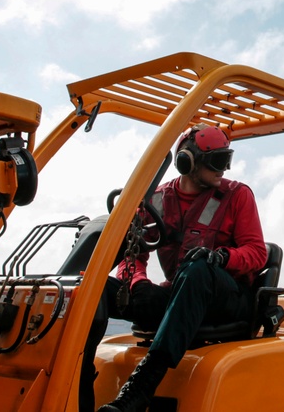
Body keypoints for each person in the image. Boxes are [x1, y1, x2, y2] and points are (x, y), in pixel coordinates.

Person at [84, 124, 267, 412]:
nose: (224, 169)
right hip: (182, 295)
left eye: (227, 160)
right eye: (218, 161)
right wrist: (138, 284)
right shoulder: (155, 199)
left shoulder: (237, 195)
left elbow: (257, 253)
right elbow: (133, 254)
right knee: (94, 289)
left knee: (198, 268)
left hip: (225, 296)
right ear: (187, 161)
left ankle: (141, 387)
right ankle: (79, 385)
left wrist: (221, 257)